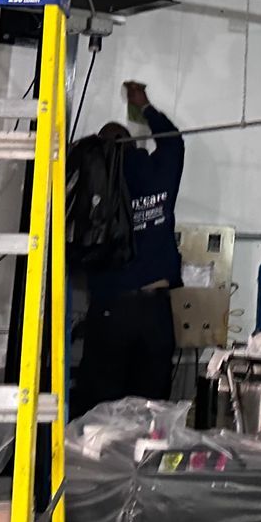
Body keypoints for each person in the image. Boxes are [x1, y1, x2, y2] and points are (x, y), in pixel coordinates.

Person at [74, 80, 184, 409]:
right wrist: (144, 105)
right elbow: (174, 143)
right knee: (151, 407)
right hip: (155, 311)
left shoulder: (91, 183)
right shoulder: (157, 171)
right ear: (132, 143)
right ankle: (143, 459)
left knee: (101, 406)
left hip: (110, 308)